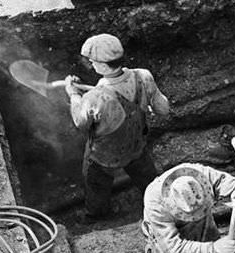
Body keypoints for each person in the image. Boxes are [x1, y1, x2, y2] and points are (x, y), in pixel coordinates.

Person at [65, 33, 169, 223]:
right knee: (148, 178)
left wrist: (73, 95)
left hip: (104, 156)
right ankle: (161, 203)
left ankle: (96, 215)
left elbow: (81, 123)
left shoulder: (96, 97)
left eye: (92, 61)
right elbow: (163, 109)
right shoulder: (143, 76)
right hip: (136, 146)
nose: (90, 64)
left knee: (96, 184)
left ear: (103, 65)